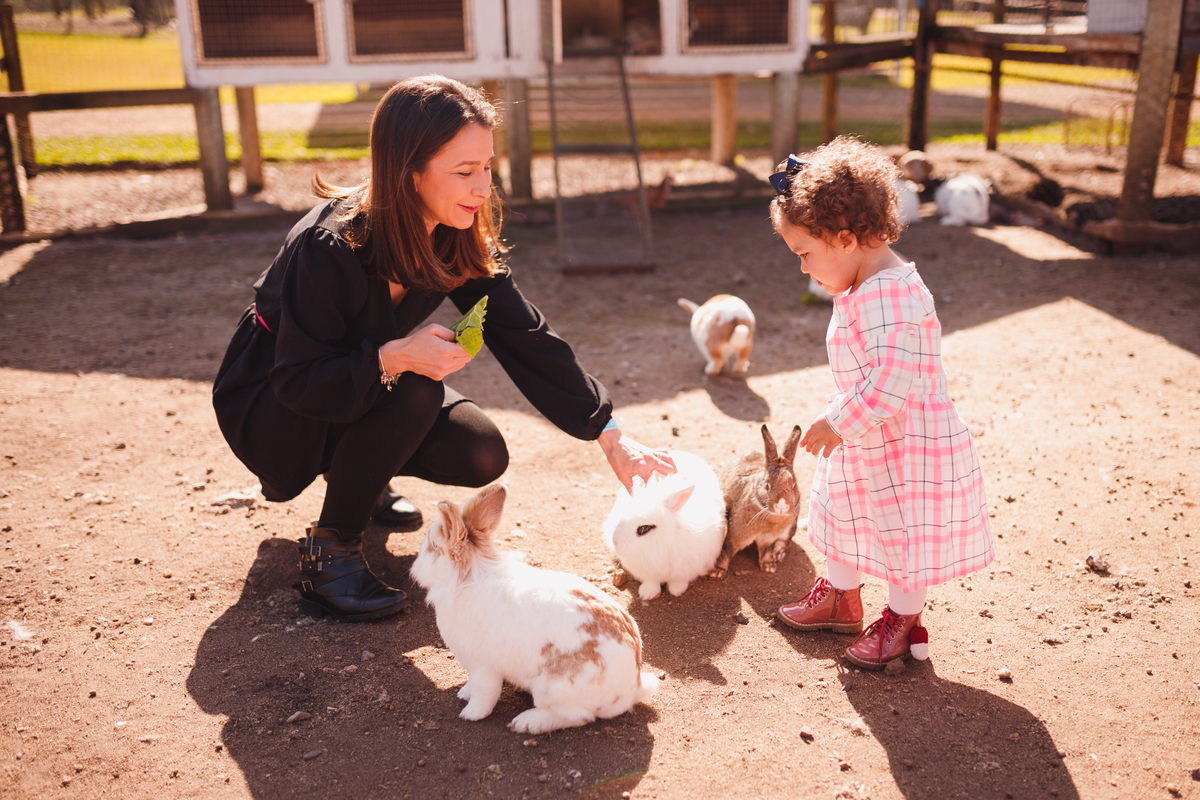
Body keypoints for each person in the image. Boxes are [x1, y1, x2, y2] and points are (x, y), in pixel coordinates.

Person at [212, 76, 674, 623]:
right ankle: (329, 556)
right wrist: (395, 356)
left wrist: (610, 434)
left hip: (351, 387)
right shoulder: (330, 245)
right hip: (274, 403)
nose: (482, 188)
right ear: (409, 172)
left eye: (487, 168)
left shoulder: (453, 230)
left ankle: (355, 473)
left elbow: (524, 334)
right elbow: (296, 378)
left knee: (479, 452)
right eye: (463, 172)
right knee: (414, 388)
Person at [769, 137, 994, 669]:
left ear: (845, 239)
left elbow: (892, 380)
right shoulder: (866, 285)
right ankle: (841, 597)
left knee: (901, 533)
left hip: (903, 443)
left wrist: (838, 420)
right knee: (846, 513)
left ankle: (902, 618)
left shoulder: (890, 294)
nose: (803, 268)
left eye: (805, 254)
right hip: (868, 435)